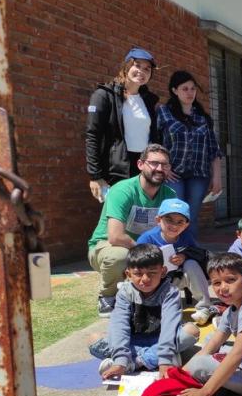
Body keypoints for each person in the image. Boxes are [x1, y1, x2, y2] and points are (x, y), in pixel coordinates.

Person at [87, 144, 177, 316]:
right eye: (154, 163)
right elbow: (115, 236)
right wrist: (147, 252)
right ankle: (108, 296)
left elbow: (173, 231)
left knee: (176, 255)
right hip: (107, 246)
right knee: (119, 257)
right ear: (140, 165)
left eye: (165, 165)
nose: (160, 168)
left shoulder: (170, 195)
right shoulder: (122, 190)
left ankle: (153, 293)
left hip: (144, 249)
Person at [94, 244, 200, 379]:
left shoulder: (170, 292)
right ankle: (137, 359)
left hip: (160, 341)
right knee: (94, 339)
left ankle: (136, 363)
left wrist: (164, 358)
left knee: (191, 331)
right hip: (133, 342)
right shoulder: (124, 292)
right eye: (138, 274)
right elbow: (119, 324)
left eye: (152, 273)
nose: (145, 279)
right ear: (128, 274)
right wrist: (121, 357)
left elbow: (170, 326)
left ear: (162, 272)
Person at [180, 253, 242, 396]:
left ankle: (214, 386)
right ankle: (218, 384)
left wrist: (205, 392)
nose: (223, 288)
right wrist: (179, 375)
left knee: (199, 364)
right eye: (216, 283)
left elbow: (238, 353)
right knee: (210, 340)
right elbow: (212, 345)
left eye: (230, 280)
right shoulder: (231, 309)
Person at [86, 47, 160, 202]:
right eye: (137, 65)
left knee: (139, 219)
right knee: (116, 219)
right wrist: (95, 175)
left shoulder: (149, 100)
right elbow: (93, 135)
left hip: (143, 167)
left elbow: (153, 135)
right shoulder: (104, 95)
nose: (142, 71)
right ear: (126, 66)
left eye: (147, 69)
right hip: (115, 170)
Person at [156, 70, 223, 238]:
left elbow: (213, 149)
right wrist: (163, 168)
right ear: (174, 90)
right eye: (185, 88)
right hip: (173, 174)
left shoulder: (203, 118)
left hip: (199, 174)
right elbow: (155, 144)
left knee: (190, 216)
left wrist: (217, 178)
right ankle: (171, 251)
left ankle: (189, 252)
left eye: (193, 88)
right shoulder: (164, 112)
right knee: (174, 213)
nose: (190, 93)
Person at [136, 198, 214, 325]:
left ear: (186, 225)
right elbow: (136, 262)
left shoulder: (187, 236)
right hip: (154, 282)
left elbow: (199, 254)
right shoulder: (147, 238)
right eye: (169, 220)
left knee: (191, 264)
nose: (174, 226)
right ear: (158, 220)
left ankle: (204, 307)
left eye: (180, 222)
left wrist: (184, 256)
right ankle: (153, 306)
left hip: (178, 279)